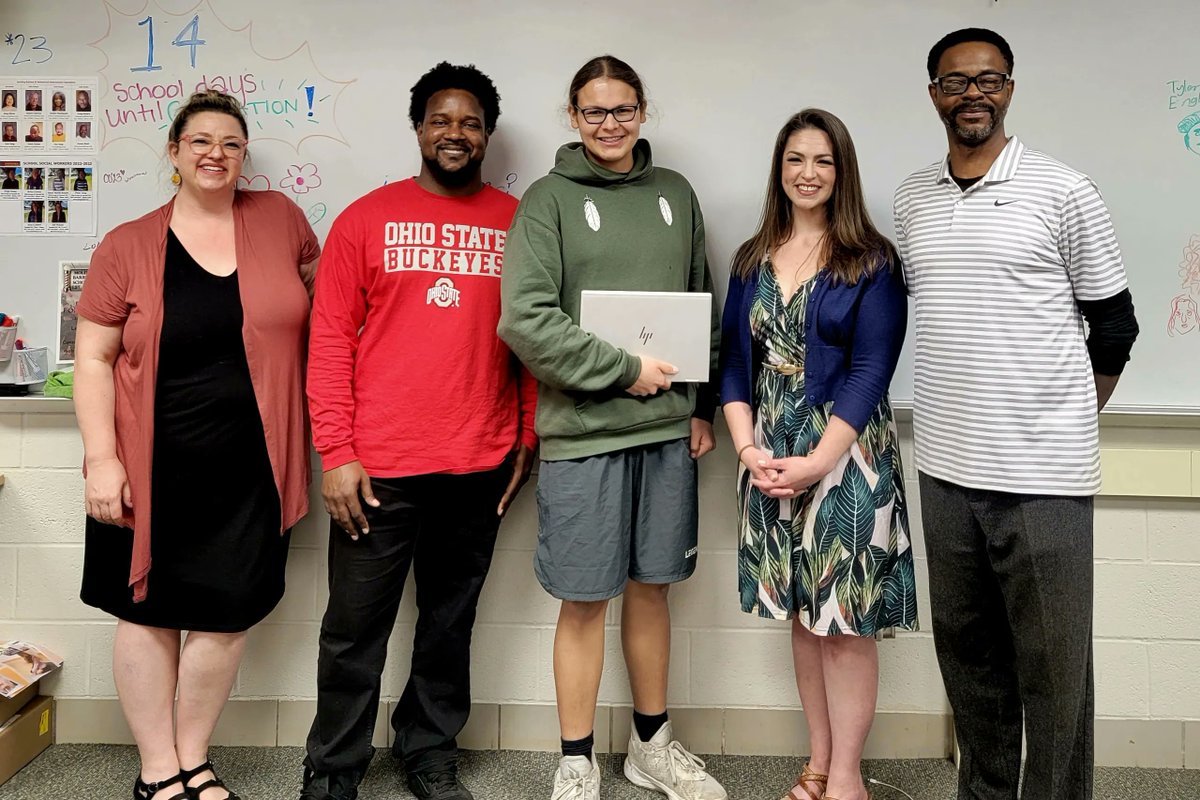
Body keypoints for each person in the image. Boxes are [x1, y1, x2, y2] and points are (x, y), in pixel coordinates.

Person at [893, 28, 1139, 800]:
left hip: (1044, 476)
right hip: (944, 466)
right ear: (933, 93)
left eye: (989, 79)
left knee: (1055, 673)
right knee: (968, 659)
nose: (973, 93)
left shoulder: (1065, 190)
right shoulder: (911, 198)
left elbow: (1116, 325)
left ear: (1009, 89)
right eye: (956, 81)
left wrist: (1061, 414)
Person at [74, 89, 320, 800]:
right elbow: (93, 358)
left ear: (245, 155)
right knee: (147, 614)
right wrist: (102, 459)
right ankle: (157, 771)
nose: (217, 154)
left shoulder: (281, 221)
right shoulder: (125, 243)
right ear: (175, 152)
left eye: (232, 143)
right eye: (201, 141)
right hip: (150, 466)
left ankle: (193, 758)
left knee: (226, 615)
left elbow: (319, 305)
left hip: (254, 466)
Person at [302, 62, 536, 800]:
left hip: (478, 461)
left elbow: (535, 335)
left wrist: (526, 435)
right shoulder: (363, 220)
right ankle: (334, 768)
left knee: (449, 625)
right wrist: (336, 452)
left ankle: (428, 750)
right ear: (419, 128)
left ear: (488, 134)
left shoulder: (519, 220)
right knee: (353, 631)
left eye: (470, 122)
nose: (456, 133)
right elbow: (330, 341)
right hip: (378, 468)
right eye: (442, 119)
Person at [499, 55, 726, 800]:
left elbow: (701, 304)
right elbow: (526, 322)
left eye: (623, 109)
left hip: (665, 435)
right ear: (573, 116)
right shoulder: (546, 201)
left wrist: (696, 403)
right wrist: (624, 369)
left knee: (654, 589)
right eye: (594, 112)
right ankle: (575, 759)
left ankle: (651, 747)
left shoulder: (676, 195)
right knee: (585, 598)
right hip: (585, 435)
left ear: (642, 111)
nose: (609, 124)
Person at [720, 109, 915, 800]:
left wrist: (814, 461)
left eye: (823, 161)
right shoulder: (750, 259)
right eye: (796, 159)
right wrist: (748, 449)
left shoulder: (872, 261)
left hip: (846, 459)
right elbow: (734, 368)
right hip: (768, 460)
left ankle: (849, 779)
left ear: (843, 172)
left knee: (845, 621)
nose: (808, 173)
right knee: (805, 615)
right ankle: (818, 762)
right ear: (780, 169)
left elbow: (870, 372)